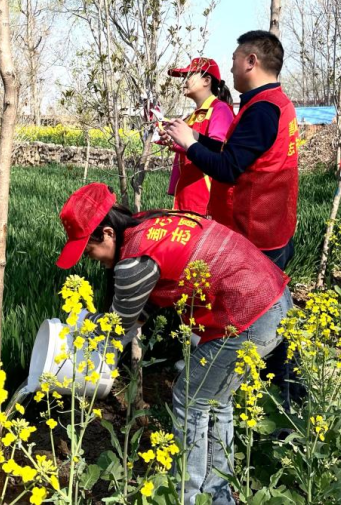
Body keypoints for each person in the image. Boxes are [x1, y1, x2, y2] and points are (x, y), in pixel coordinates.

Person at [56, 182, 292, 505]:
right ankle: (218, 496)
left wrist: (81, 323)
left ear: (108, 234)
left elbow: (117, 325)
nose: (92, 259)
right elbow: (151, 301)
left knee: (190, 397)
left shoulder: (132, 263)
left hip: (250, 314)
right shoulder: (151, 226)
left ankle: (189, 495)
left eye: (89, 250)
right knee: (214, 399)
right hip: (274, 298)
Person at [162, 31, 300, 271]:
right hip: (271, 226)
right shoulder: (276, 103)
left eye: (234, 59)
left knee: (250, 295)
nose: (231, 68)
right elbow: (236, 152)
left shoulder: (261, 110)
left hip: (256, 234)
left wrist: (189, 144)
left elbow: (228, 168)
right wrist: (196, 137)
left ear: (251, 61)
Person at [165, 58, 235, 215]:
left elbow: (218, 150)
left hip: (206, 202)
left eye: (189, 76)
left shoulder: (220, 110)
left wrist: (181, 142)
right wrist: (169, 139)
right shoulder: (191, 117)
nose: (184, 81)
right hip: (186, 199)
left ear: (206, 80)